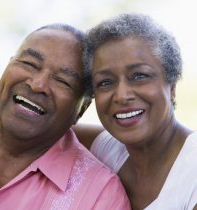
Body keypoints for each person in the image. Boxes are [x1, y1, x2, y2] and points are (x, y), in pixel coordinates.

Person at [0, 23, 131, 209]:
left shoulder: (100, 195)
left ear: (82, 109)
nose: (38, 84)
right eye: (29, 63)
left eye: (63, 80)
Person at [81, 13, 197, 210]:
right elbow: (50, 130)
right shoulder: (105, 149)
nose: (122, 95)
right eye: (106, 82)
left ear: (172, 87)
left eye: (139, 76)